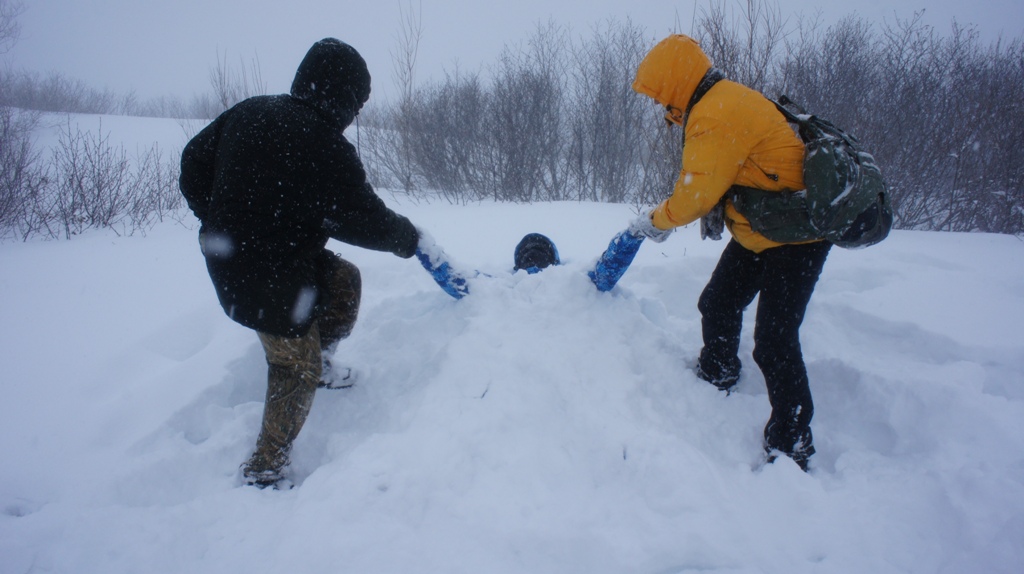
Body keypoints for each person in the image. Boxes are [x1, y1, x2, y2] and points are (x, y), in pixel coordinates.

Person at [179, 38, 421, 489]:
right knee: (295, 365)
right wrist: (412, 240)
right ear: (343, 95)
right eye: (357, 103)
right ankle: (265, 467)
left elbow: (193, 161)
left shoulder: (252, 111)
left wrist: (216, 221)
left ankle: (322, 360)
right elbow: (365, 219)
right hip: (255, 274)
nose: (355, 114)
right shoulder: (325, 147)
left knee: (344, 279)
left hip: (267, 256)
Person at [627, 34, 831, 471]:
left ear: (675, 82)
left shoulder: (716, 112)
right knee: (717, 302)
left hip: (798, 238)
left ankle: (792, 441)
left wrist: (655, 221)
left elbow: (695, 195)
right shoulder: (718, 101)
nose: (660, 105)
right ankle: (718, 371)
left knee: (774, 341)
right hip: (762, 231)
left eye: (660, 94)